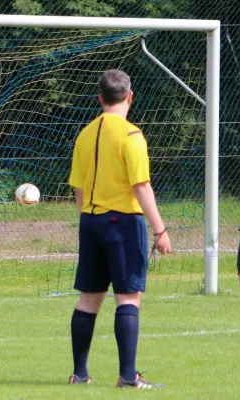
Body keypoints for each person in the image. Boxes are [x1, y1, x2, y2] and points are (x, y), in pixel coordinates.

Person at [67, 69, 171, 389]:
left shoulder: (84, 134)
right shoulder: (131, 136)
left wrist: (88, 220)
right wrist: (160, 230)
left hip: (91, 221)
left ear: (100, 98)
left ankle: (80, 374)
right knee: (128, 298)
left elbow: (79, 189)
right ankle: (128, 377)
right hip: (124, 223)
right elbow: (141, 186)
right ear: (130, 97)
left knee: (89, 299)